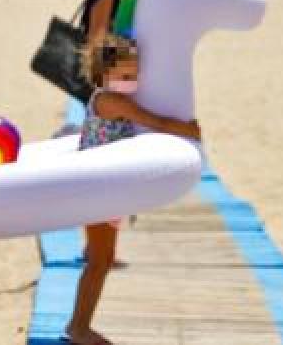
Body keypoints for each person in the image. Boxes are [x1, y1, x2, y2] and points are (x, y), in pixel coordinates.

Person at [65, 35, 201, 345]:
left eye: (135, 75)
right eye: (125, 76)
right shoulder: (111, 101)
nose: (132, 81)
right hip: (96, 189)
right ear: (103, 75)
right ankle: (78, 327)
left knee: (104, 258)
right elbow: (155, 122)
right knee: (99, 261)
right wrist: (190, 129)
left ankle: (80, 325)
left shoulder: (114, 96)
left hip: (109, 190)